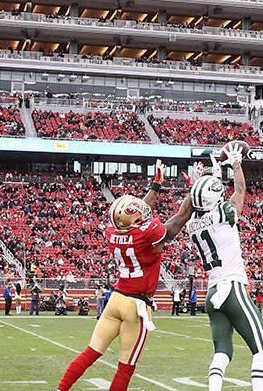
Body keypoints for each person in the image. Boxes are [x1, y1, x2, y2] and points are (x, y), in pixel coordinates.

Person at [58, 159, 183, 391]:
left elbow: (139, 215)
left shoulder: (113, 230)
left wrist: (156, 186)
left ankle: (60, 389)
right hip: (136, 306)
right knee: (125, 368)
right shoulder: (147, 235)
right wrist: (193, 200)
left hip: (116, 299)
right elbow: (176, 222)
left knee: (90, 353)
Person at [174, 144, 263, 391]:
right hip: (233, 287)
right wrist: (236, 163)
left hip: (213, 292)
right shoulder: (223, 212)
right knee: (262, 351)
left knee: (222, 352)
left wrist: (203, 181)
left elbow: (196, 204)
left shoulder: (191, 224)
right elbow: (239, 192)